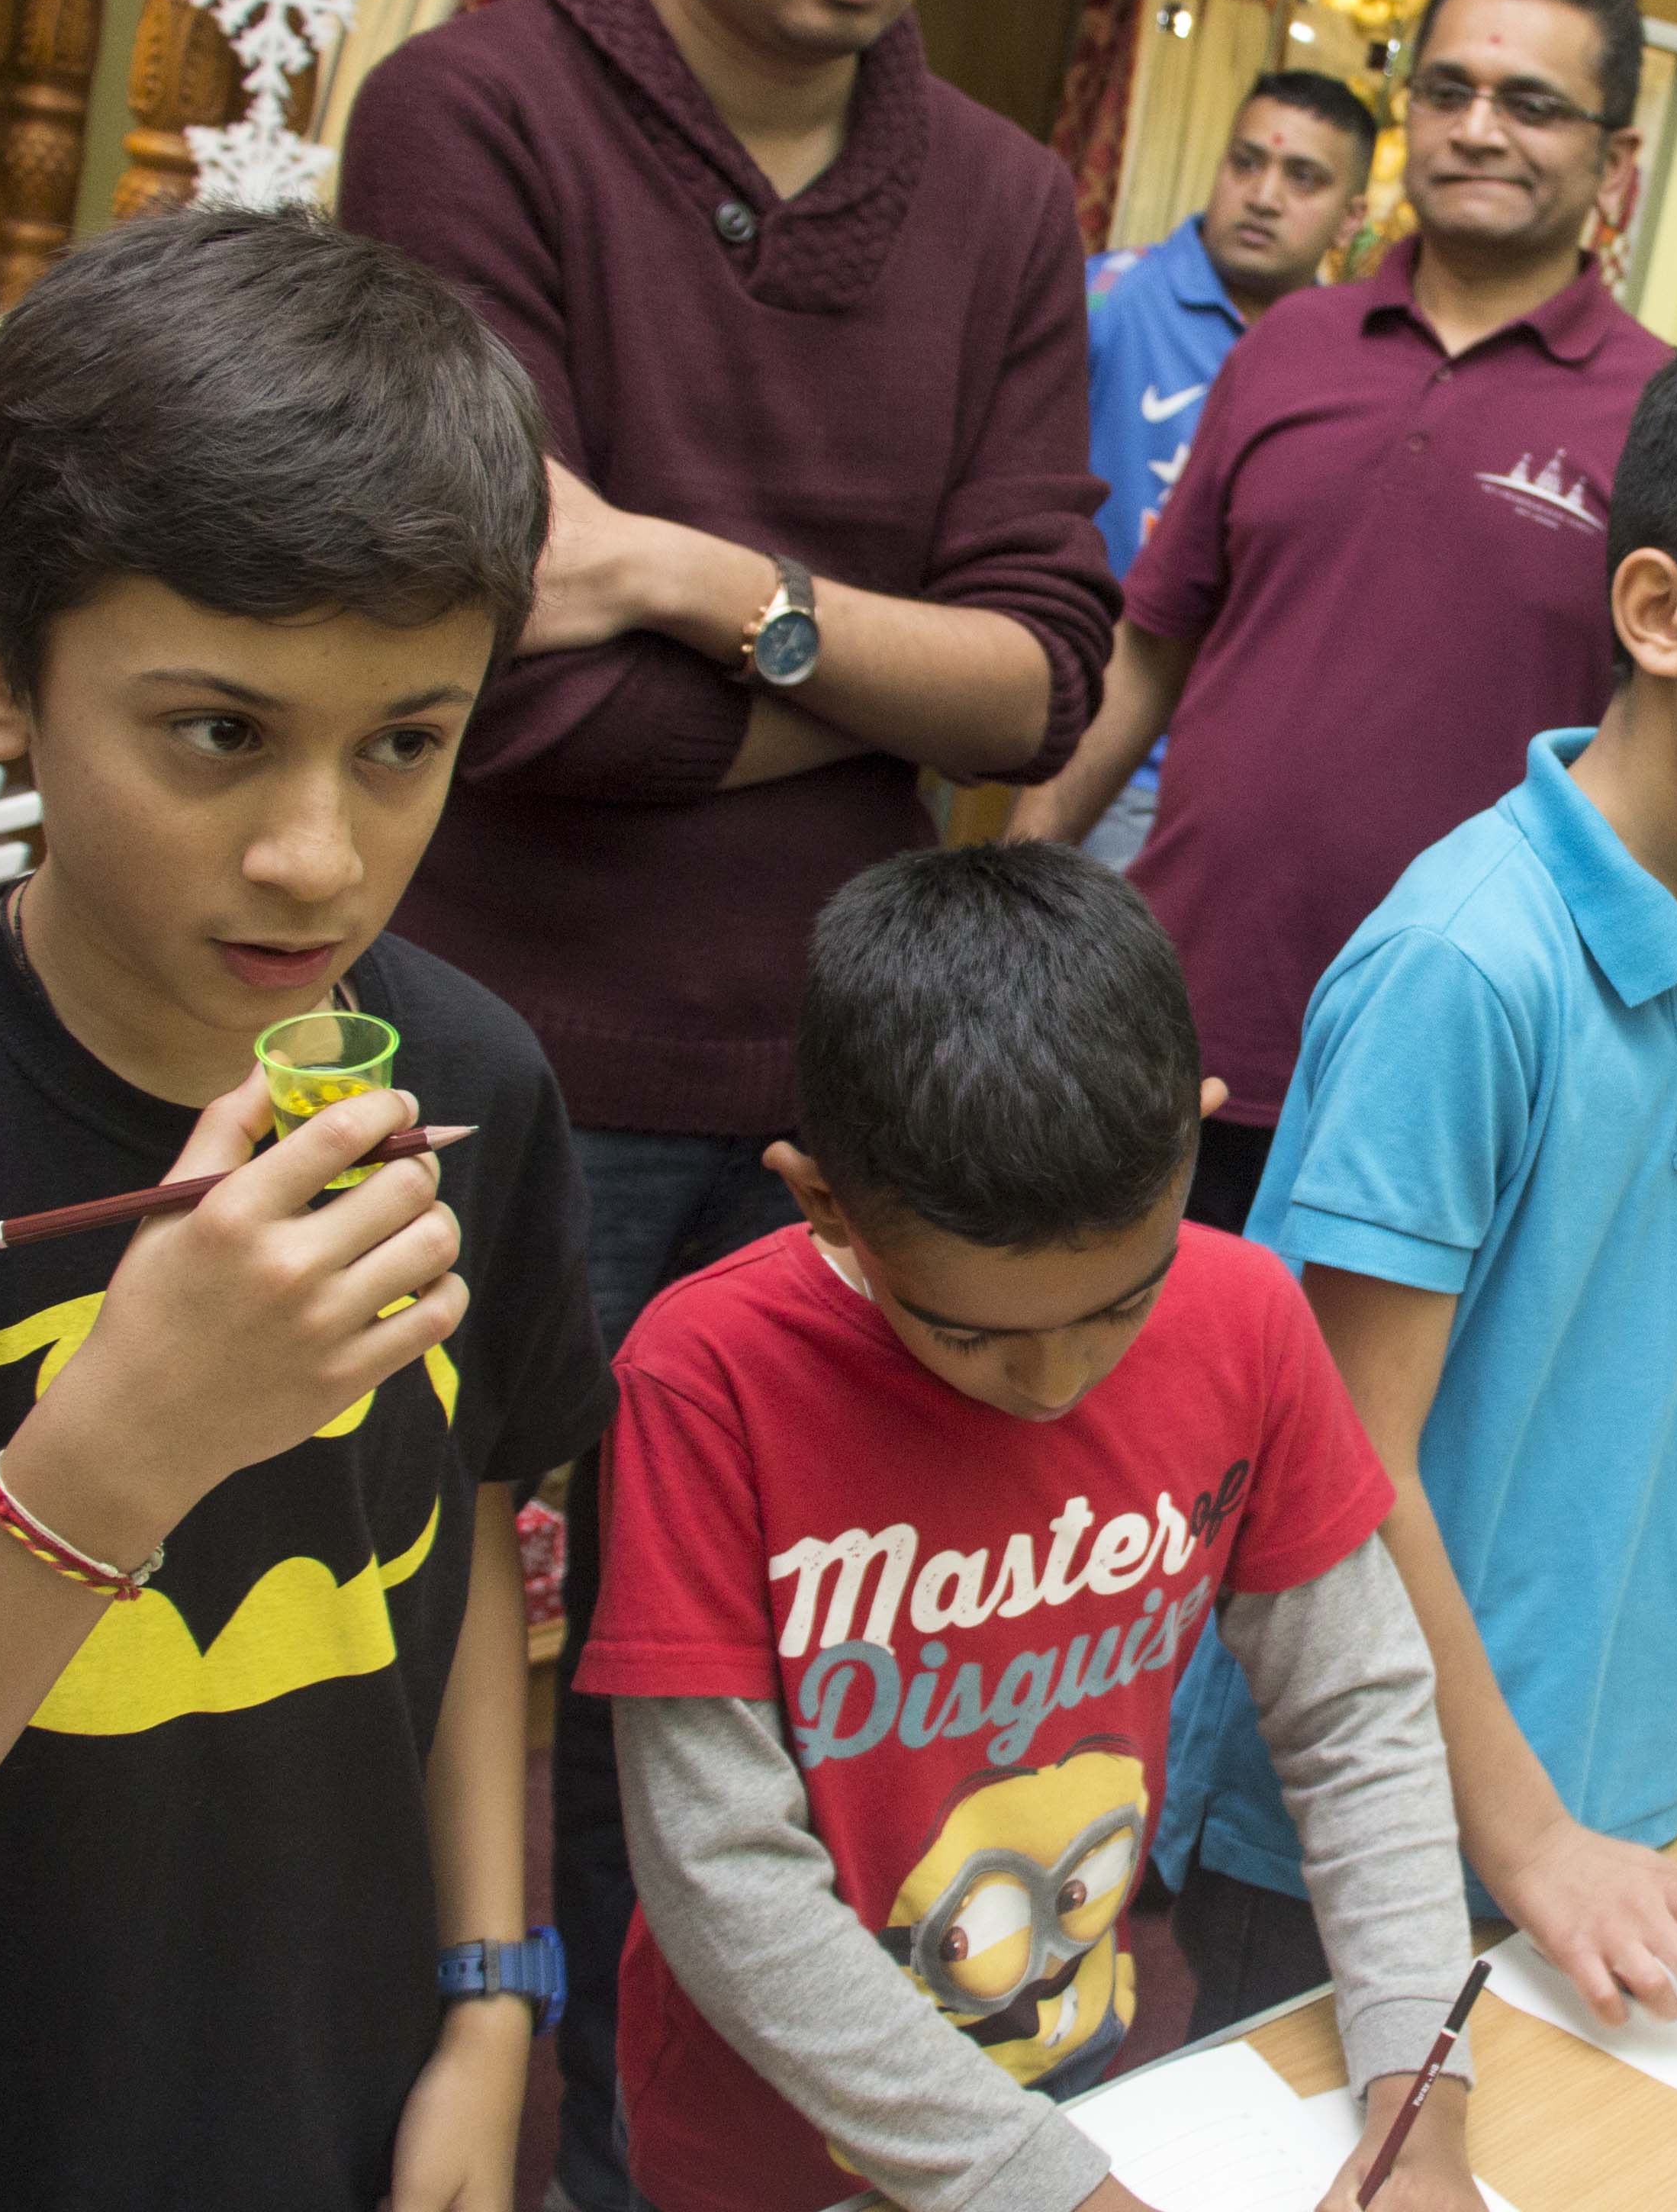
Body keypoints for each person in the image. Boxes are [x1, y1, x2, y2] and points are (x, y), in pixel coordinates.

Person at [342, 0, 1128, 2197]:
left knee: (731, 1711)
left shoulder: (999, 200)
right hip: (499, 1070)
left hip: (823, 1104)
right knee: (423, 1661)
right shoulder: (471, 117)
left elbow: (1043, 682)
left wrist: (692, 580)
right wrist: (879, 678)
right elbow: (486, 682)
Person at [0, 211, 609, 2206]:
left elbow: (467, 1551)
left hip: (315, 2098)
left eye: (405, 743)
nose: (317, 855)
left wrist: (490, 1994)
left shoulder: (474, 1083)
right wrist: (118, 1452)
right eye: (218, 733)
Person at [1158, 329, 1677, 2033]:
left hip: (1621, 1806)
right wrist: (1524, 1834)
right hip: (1368, 1830)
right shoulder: (1467, 965)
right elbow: (1344, 1465)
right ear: (1659, 612)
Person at [583, 848, 1482, 2212]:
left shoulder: (1246, 1319)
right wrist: (1034, 2185)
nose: (1055, 1380)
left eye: (1119, 1304)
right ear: (822, 1201)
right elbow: (721, 1870)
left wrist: (1422, 2083)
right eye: (967, 1332)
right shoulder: (707, 1378)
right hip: (776, 2153)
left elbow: (1357, 1707)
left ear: (1195, 1139)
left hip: (1071, 2067)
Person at [1011, 0, 1675, 1235]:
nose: (1477, 128)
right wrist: (1010, 889)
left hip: (1454, 1064)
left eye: (1531, 104)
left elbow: (1663, 765)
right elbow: (1150, 650)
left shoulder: (1659, 415)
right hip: (1174, 1026)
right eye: (1447, 90)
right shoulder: (1285, 348)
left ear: (1616, 162)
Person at [1072, 72, 1380, 868]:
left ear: (1351, 218)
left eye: (1302, 178)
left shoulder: (1356, 362)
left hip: (1253, 775)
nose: (1263, 196)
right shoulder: (1107, 299)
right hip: (1096, 743)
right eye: (1246, 163)